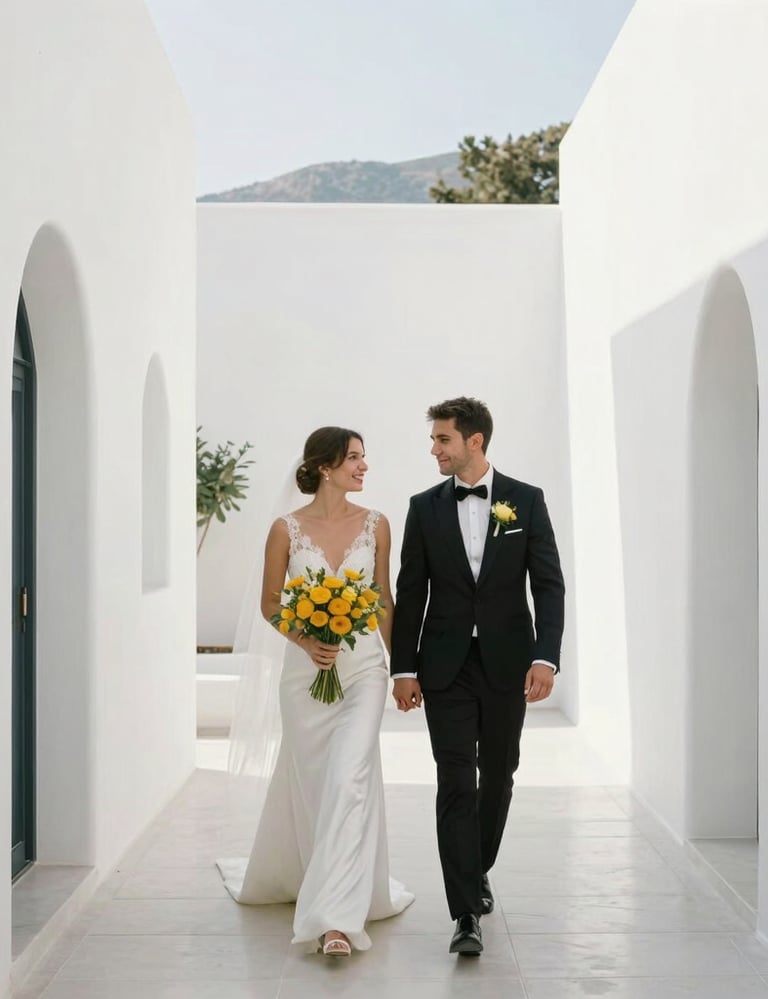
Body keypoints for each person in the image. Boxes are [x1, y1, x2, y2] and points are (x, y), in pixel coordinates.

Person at [217, 427, 413, 956]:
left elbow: (384, 601)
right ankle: (310, 872)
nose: (364, 466)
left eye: (364, 458)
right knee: (315, 785)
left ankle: (335, 922)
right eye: (354, 458)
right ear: (325, 467)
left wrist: (402, 671)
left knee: (350, 777)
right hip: (305, 677)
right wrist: (305, 639)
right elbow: (270, 603)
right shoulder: (285, 529)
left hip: (364, 671)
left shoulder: (377, 525)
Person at [390, 397, 564, 956]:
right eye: (434, 440)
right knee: (455, 779)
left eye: (443, 439)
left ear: (475, 442)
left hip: (508, 662)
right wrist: (404, 667)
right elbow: (410, 591)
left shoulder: (526, 501)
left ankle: (476, 864)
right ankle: (465, 911)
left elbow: (549, 585)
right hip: (444, 666)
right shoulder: (423, 507)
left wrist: (546, 656)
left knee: (500, 773)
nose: (434, 449)